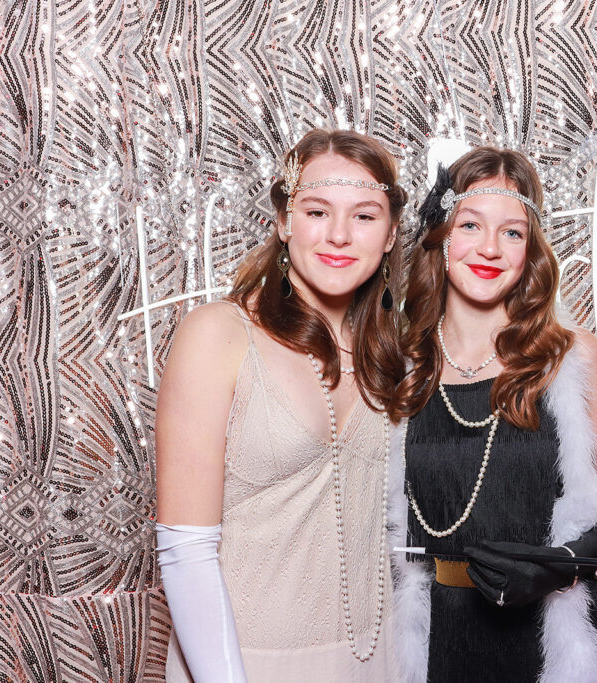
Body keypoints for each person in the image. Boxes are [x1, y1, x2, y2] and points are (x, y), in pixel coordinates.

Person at [155, 128, 408, 682]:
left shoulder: (392, 353)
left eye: (364, 216)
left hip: (377, 662)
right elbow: (185, 551)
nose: (339, 235)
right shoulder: (218, 335)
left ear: (390, 235)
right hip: (241, 663)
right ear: (283, 222)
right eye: (317, 211)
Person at [389, 147, 597, 682]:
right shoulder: (401, 369)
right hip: (445, 643)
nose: (490, 248)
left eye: (512, 233)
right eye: (471, 225)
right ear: (441, 236)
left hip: (557, 642)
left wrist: (558, 565)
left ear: (529, 251)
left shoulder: (570, 356)